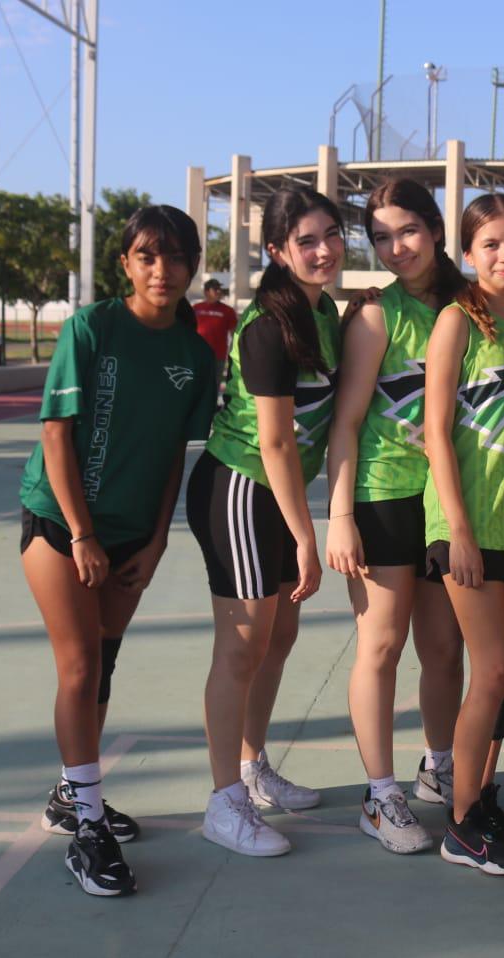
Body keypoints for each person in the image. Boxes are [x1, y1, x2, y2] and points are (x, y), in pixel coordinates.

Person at [19, 206, 217, 895]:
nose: (162, 271)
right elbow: (55, 434)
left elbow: (172, 458)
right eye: (146, 256)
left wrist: (158, 537)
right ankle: (89, 827)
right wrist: (81, 534)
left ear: (193, 263)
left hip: (133, 532)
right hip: (61, 522)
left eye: (175, 257)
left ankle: (70, 794)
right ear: (125, 264)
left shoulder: (195, 356)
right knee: (78, 667)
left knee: (102, 665)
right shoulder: (92, 328)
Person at [186, 186, 343, 856]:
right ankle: (222, 802)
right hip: (241, 486)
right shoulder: (268, 327)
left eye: (331, 233)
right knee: (243, 645)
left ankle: (252, 770)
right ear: (278, 252)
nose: (323, 249)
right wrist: (310, 537)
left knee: (277, 640)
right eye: (305, 240)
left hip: (275, 493)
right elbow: (276, 443)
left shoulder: (327, 310)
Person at [324, 179, 467, 855]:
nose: (394, 247)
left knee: (443, 648)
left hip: (449, 501)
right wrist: (340, 514)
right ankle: (381, 796)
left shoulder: (472, 307)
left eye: (405, 230)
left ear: (434, 228)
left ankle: (440, 767)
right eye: (380, 237)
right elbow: (347, 423)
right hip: (384, 494)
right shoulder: (378, 315)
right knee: (381, 645)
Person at [424, 193, 504, 876]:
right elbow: (437, 435)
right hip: (469, 526)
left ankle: (482, 798)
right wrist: (459, 530)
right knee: (494, 670)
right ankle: (461, 822)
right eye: (492, 246)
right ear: (468, 254)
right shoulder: (456, 322)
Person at [192, 279, 239, 370]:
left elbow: (235, 334)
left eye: (219, 289)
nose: (219, 291)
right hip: (197, 355)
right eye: (215, 289)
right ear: (206, 292)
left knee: (215, 383)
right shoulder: (196, 308)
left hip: (217, 356)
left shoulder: (228, 311)